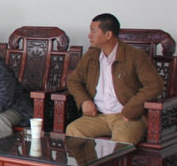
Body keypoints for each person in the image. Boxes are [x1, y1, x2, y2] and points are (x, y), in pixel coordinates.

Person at [65, 13, 162, 144]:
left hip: (127, 117)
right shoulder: (91, 55)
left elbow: (154, 85)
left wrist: (131, 109)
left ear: (108, 35)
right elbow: (73, 81)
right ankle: (90, 159)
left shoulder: (135, 56)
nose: (89, 35)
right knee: (74, 130)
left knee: (122, 140)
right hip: (98, 116)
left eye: (93, 31)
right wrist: (84, 101)